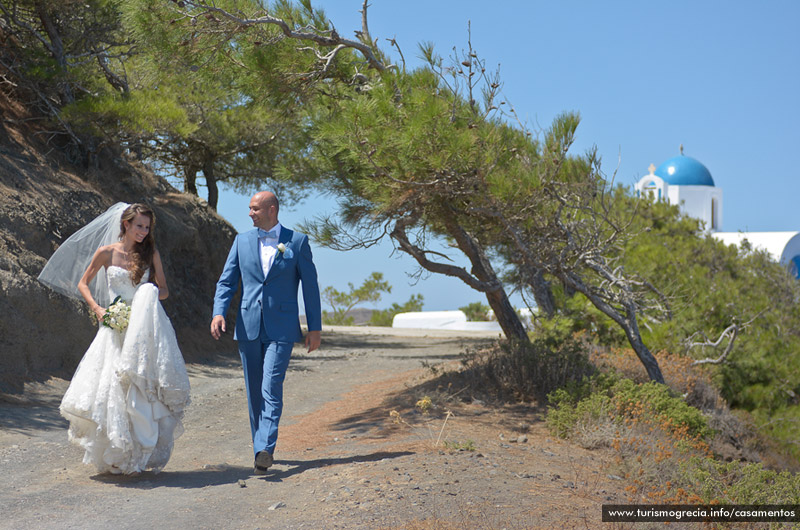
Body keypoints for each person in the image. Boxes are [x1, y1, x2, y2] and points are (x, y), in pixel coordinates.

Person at [38, 203, 190, 475]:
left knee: (139, 389)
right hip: (114, 326)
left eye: (147, 227)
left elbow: (164, 289)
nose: (144, 232)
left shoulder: (151, 253)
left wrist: (149, 294)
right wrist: (98, 309)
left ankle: (139, 453)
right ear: (126, 225)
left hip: (142, 330)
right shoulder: (107, 252)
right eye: (139, 226)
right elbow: (83, 283)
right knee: (112, 388)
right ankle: (115, 452)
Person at [211, 191, 321, 475]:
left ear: (272, 209)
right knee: (254, 392)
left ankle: (265, 448)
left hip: (282, 327)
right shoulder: (241, 241)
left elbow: (310, 287)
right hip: (248, 325)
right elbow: (226, 282)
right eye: (249, 208)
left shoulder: (297, 242)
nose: (250, 213)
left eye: (255, 208)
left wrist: (315, 328)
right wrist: (219, 312)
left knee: (271, 386)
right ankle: (259, 448)